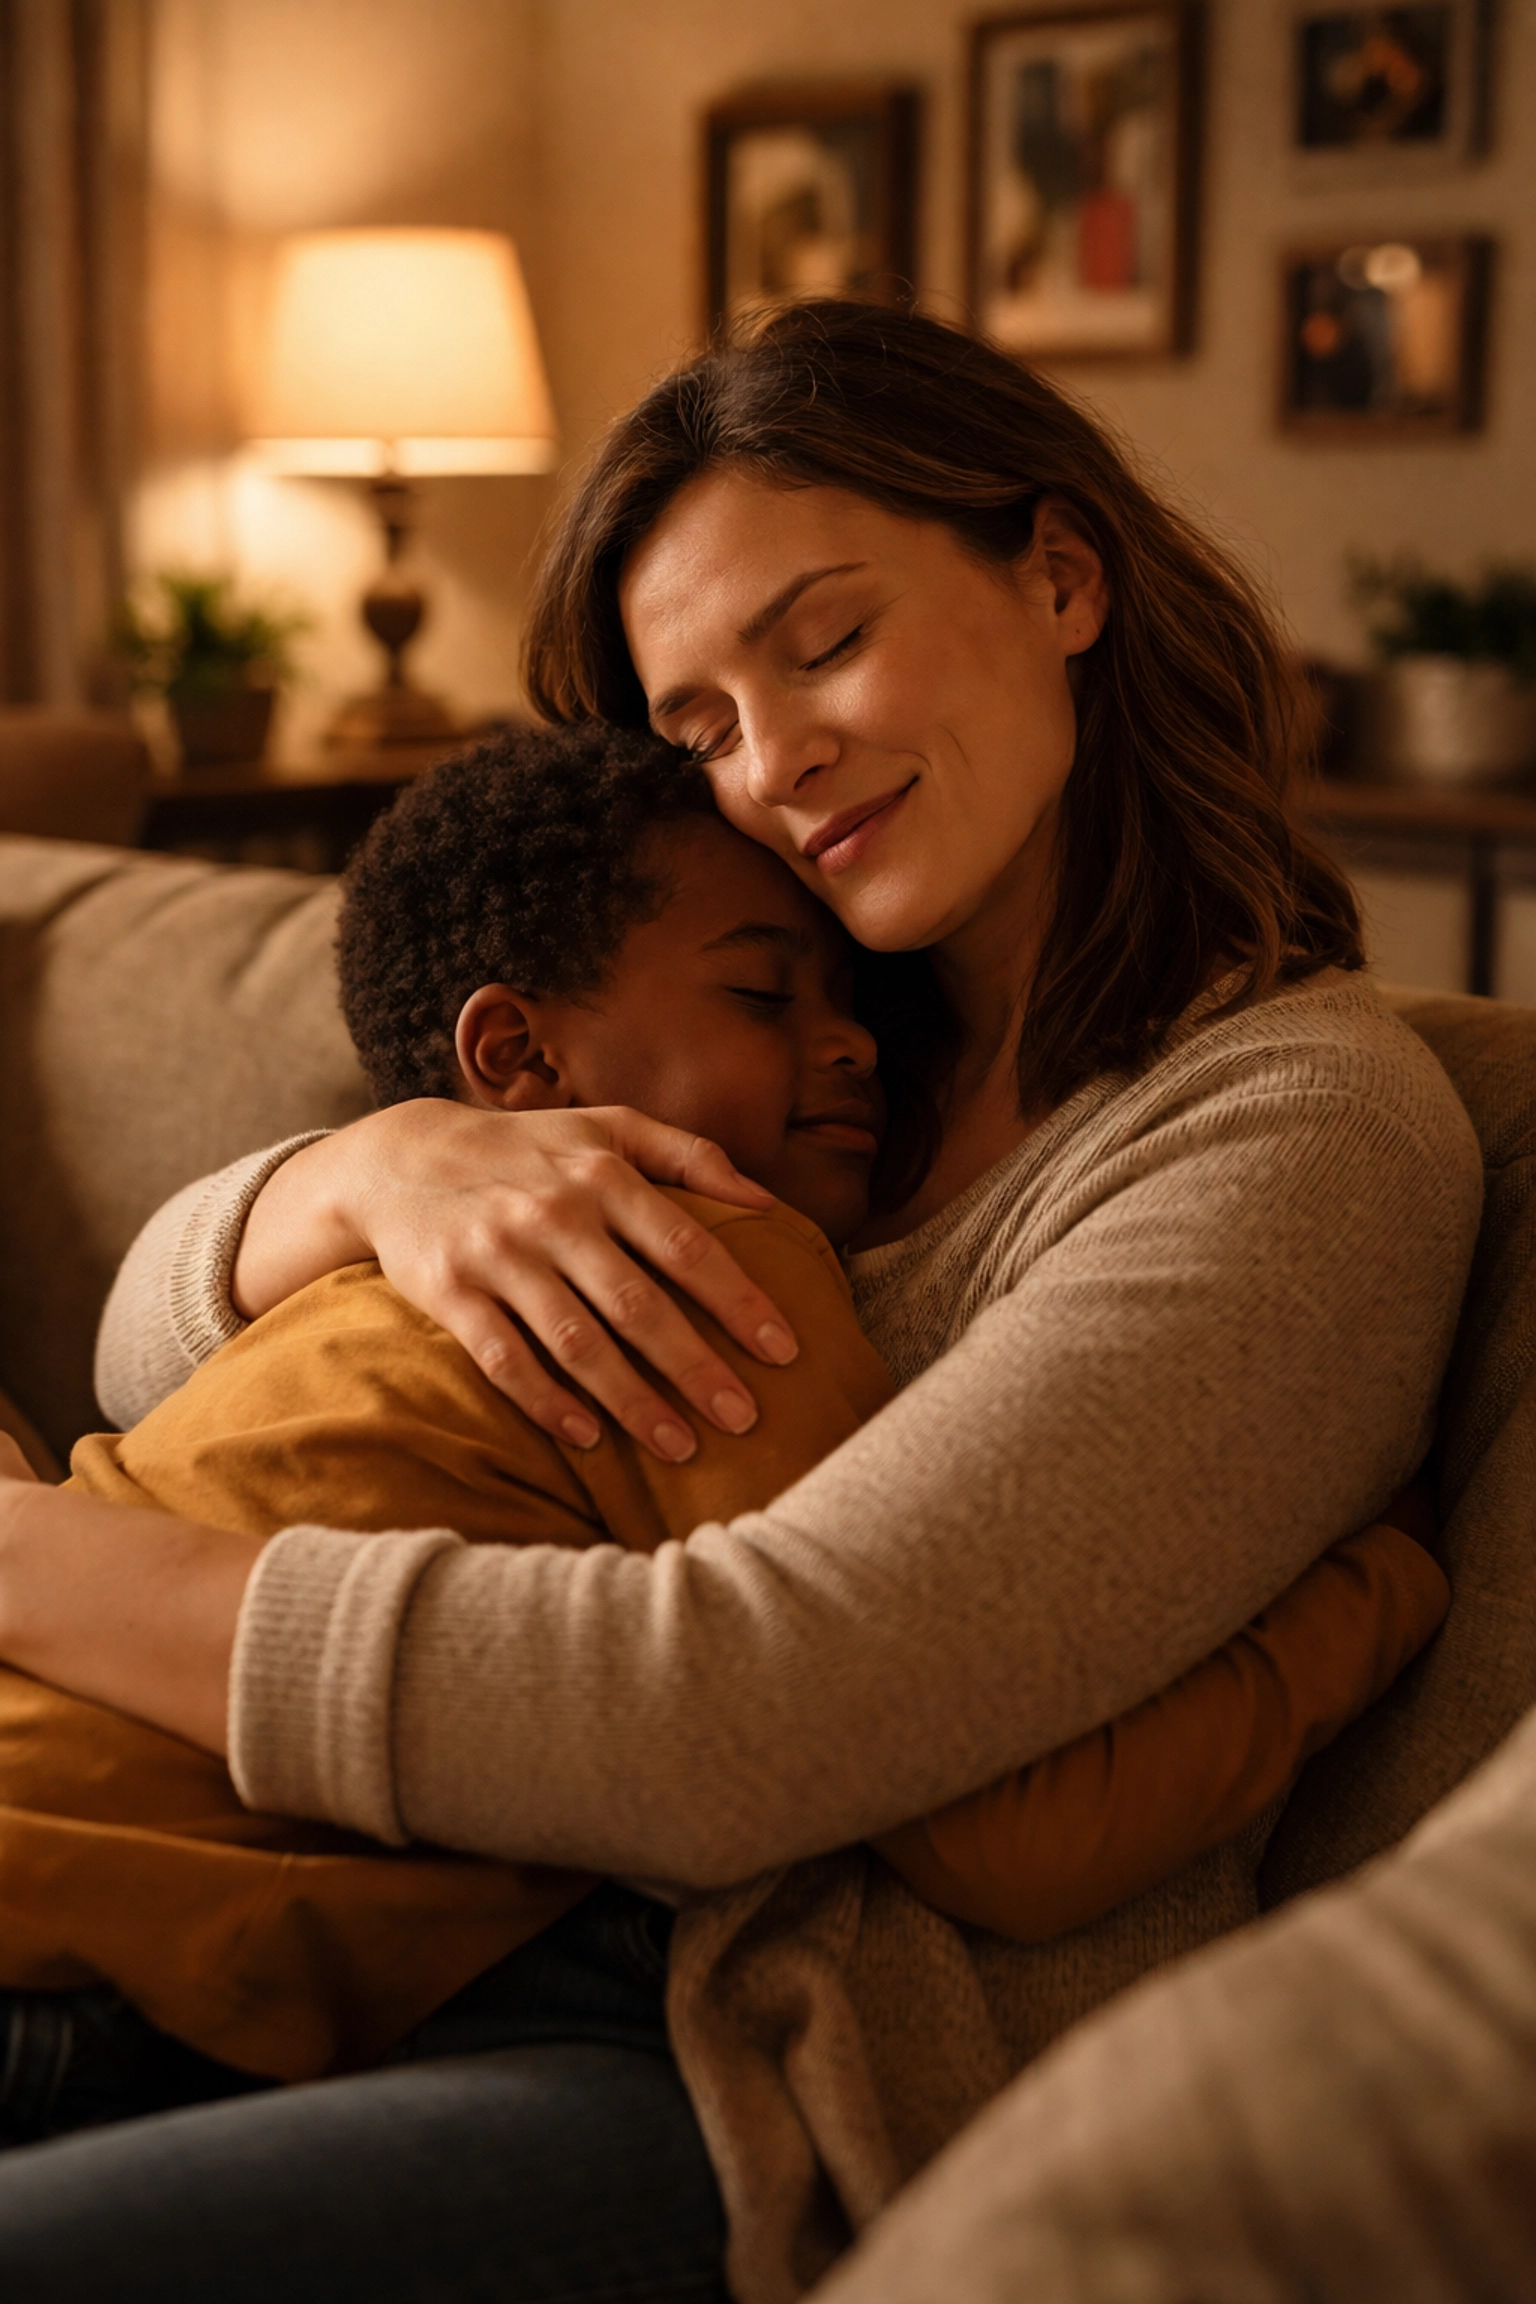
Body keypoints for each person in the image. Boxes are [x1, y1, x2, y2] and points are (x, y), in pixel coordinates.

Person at [0, 301, 1483, 2303]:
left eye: (827, 640)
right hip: (374, 1920)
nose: (774, 765)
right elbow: (187, 1369)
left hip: (763, 2054)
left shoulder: (1291, 1127)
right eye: (697, 728)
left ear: (1059, 577)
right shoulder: (761, 1052)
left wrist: (25, 1561)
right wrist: (365, 1173)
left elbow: (736, 1713)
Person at [0, 725, 1444, 2118]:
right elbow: (1021, 1840)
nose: (854, 1045)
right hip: (90, 1953)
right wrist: (1380, 1582)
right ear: (516, 1059)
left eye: (854, 1003)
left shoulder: (370, 1284)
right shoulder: (702, 1262)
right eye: (763, 996)